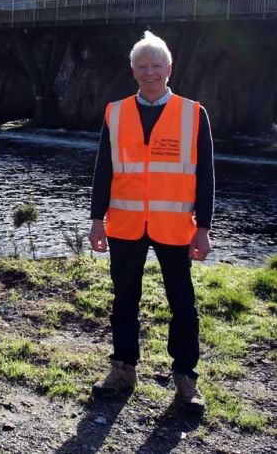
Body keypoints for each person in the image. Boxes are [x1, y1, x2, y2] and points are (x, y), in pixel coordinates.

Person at [88, 31, 214, 414]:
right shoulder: (116, 111)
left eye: (156, 65)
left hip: (175, 225)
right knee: (124, 300)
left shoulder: (194, 113)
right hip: (124, 224)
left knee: (183, 305)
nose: (149, 72)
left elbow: (206, 174)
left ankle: (186, 380)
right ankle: (123, 371)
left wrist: (204, 228)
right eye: (142, 66)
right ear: (132, 70)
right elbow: (103, 170)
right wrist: (96, 220)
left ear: (169, 68)